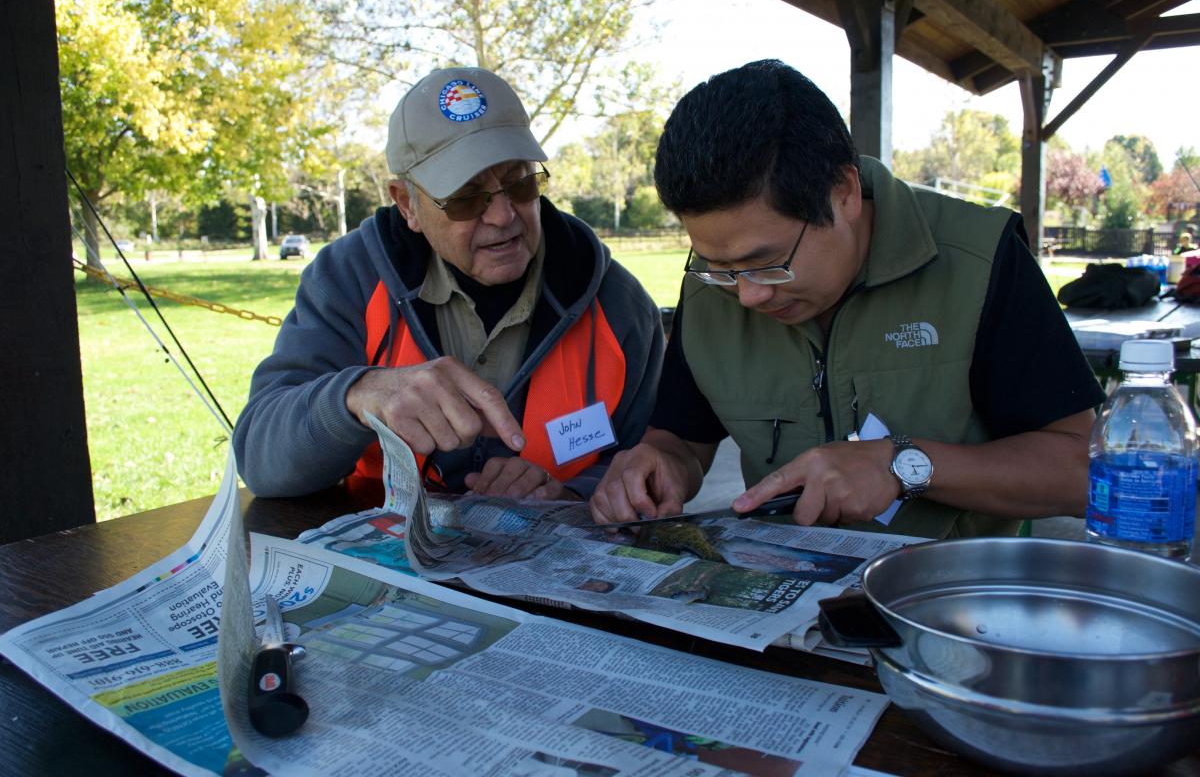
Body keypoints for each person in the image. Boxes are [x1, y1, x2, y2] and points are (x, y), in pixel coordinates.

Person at [590, 59, 1105, 539]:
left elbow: (1080, 470)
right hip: (779, 592)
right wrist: (654, 465)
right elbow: (681, 440)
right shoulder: (712, 285)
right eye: (720, 267)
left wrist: (901, 464)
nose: (747, 295)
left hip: (946, 599)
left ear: (844, 193)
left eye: (768, 262)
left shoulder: (979, 261)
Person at [234, 67, 664, 504]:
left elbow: (647, 459)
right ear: (407, 204)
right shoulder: (350, 279)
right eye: (466, 197)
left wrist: (571, 495)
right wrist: (358, 394)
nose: (502, 216)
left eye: (519, 182)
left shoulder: (618, 303)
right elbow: (261, 459)